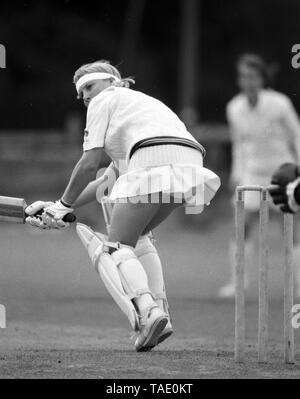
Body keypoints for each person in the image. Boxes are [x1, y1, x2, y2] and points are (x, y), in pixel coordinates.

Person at [25, 60, 221, 351]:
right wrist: (56, 206)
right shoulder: (136, 108)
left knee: (114, 249)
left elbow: (89, 164)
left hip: (152, 157)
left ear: (111, 81)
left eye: (89, 87)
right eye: (81, 94)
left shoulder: (105, 100)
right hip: (190, 163)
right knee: (137, 237)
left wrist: (64, 204)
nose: (85, 97)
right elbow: (105, 180)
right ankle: (160, 313)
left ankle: (150, 312)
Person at [218, 53, 300, 298]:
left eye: (253, 76)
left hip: (282, 172)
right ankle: (238, 283)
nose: (248, 81)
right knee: (241, 227)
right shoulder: (234, 107)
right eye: (244, 76)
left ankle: (297, 285)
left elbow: (297, 135)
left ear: (262, 78)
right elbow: (238, 144)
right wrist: (236, 173)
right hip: (252, 174)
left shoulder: (279, 103)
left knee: (290, 231)